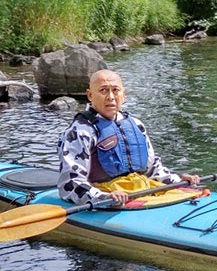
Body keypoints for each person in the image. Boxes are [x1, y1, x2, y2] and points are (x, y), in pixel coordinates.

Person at [57, 69, 199, 206]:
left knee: (193, 192)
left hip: (141, 190)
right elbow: (70, 182)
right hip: (105, 195)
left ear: (123, 94)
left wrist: (177, 180)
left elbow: (153, 169)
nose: (111, 97)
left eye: (115, 90)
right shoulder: (80, 131)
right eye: (103, 90)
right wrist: (103, 198)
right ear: (90, 95)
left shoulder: (136, 125)